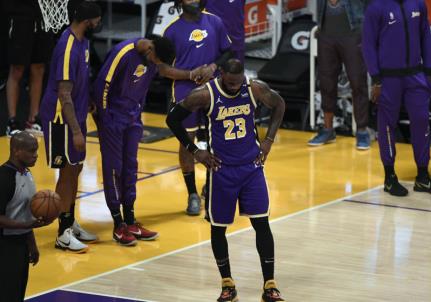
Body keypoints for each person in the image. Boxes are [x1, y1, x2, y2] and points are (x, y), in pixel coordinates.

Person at [166, 59, 286, 302]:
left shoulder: (254, 88)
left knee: (261, 224)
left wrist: (269, 140)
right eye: (230, 83)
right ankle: (227, 284)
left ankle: (270, 285)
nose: (234, 87)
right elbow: (172, 119)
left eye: (238, 82)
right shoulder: (204, 94)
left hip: (251, 168)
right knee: (218, 227)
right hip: (222, 170)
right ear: (221, 75)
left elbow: (279, 104)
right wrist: (195, 150)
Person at [91, 36, 176, 246]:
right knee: (114, 168)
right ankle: (118, 223)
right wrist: (104, 116)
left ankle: (130, 219)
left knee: (131, 168)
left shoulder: (150, 61)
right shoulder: (123, 52)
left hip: (132, 118)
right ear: (151, 48)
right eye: (157, 60)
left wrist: (138, 113)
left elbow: (142, 89)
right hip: (112, 118)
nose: (156, 65)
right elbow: (102, 85)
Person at [362, 0, 431, 196]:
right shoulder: (376, 8)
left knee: (422, 121)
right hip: (388, 78)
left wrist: (428, 71)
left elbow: (426, 35)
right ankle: (390, 177)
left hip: (415, 75)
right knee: (387, 125)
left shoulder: (418, 3)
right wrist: (376, 79)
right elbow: (368, 45)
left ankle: (423, 177)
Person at [39, 1, 102, 253]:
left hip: (75, 112)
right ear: (89, 20)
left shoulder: (83, 41)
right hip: (60, 117)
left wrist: (87, 104)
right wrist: (76, 131)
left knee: (75, 169)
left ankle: (69, 221)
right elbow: (64, 94)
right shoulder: (67, 47)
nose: (99, 24)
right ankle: (62, 234)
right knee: (66, 171)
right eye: (97, 19)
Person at [162, 0, 233, 216]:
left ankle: (211, 186)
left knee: (219, 139)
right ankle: (192, 193)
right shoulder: (171, 31)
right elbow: (163, 69)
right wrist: (190, 74)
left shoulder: (215, 21)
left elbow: (227, 53)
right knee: (187, 143)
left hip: (214, 88)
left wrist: (213, 67)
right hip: (186, 91)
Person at [308, 0, 371, 150]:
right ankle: (328, 129)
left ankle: (362, 130)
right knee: (326, 83)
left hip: (353, 32)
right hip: (326, 33)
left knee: (358, 82)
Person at [0, 132, 49, 302]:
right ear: (16, 151)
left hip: (21, 246)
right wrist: (27, 224)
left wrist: (32, 245)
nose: (36, 155)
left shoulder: (27, 174)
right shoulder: (4, 178)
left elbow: (25, 212)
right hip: (4, 246)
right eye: (31, 151)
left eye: (36, 150)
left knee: (18, 293)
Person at [4, 0, 55, 136]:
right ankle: (12, 121)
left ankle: (34, 119)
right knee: (17, 68)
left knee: (38, 67)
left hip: (44, 13)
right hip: (21, 14)